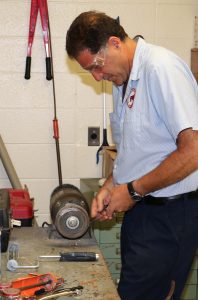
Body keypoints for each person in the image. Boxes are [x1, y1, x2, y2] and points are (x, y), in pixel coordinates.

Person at [66, 11, 198, 300]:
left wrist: (134, 191)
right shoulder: (122, 81)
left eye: (97, 66)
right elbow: (136, 152)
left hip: (170, 217)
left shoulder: (160, 69)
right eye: (90, 71)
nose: (98, 77)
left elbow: (193, 151)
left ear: (115, 43)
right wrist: (112, 185)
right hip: (142, 214)